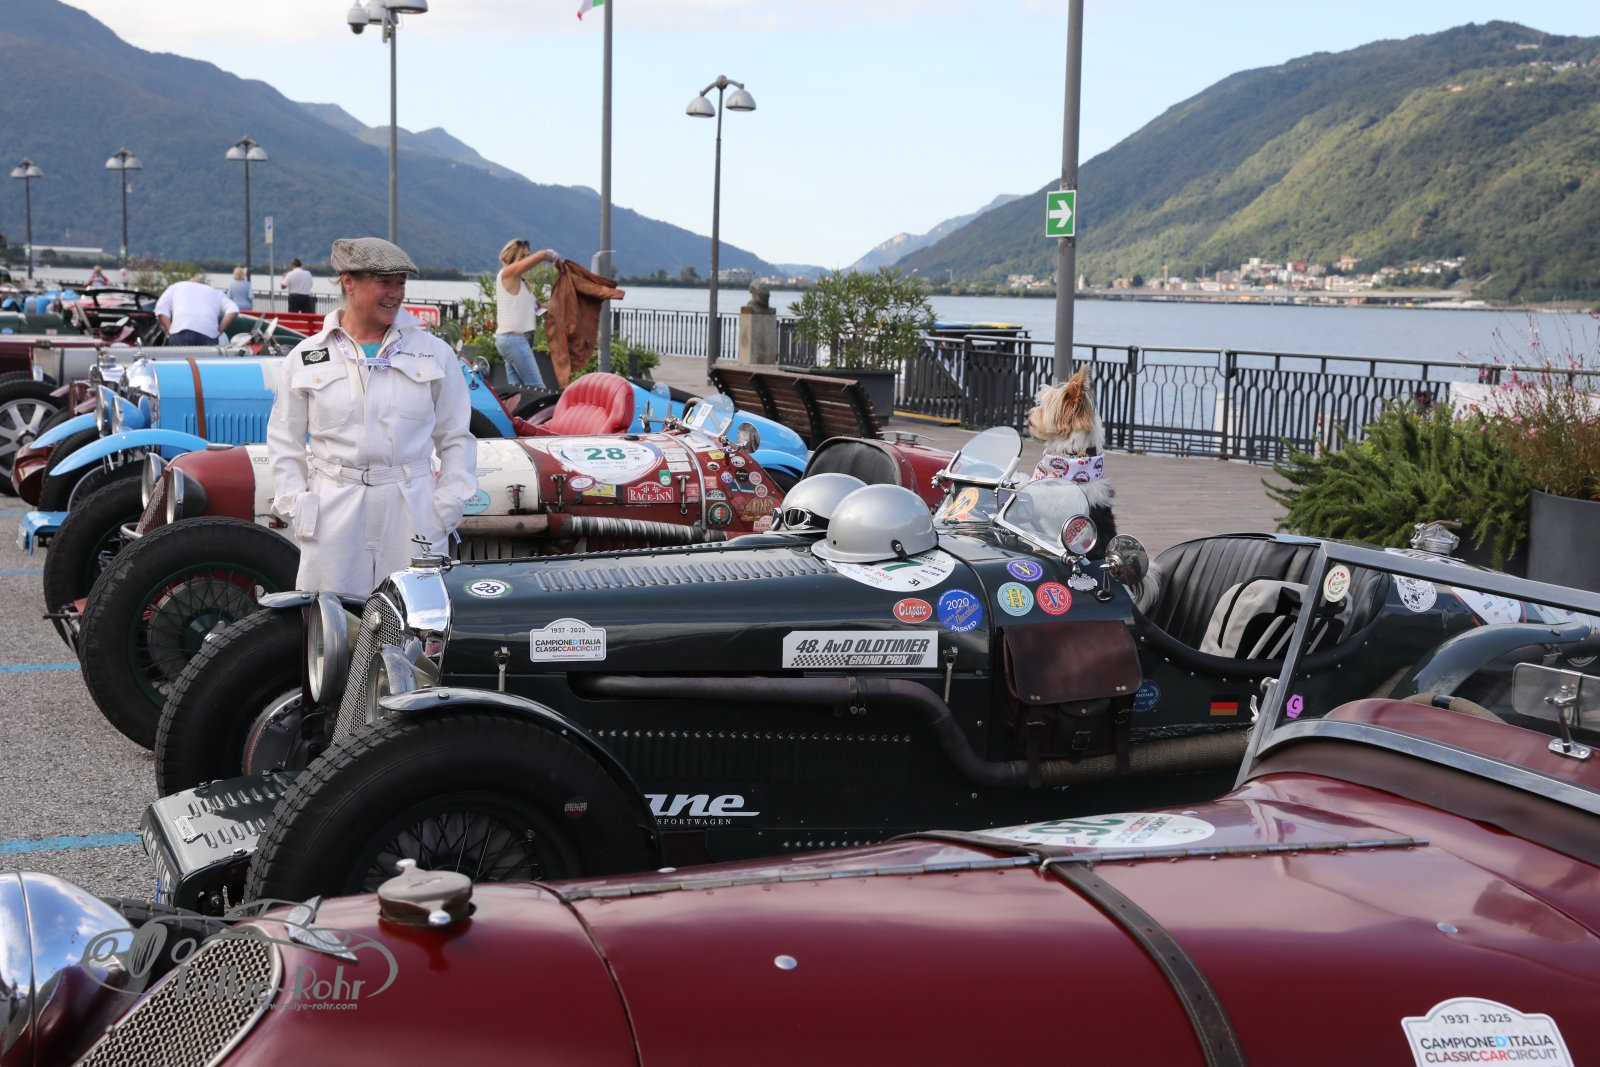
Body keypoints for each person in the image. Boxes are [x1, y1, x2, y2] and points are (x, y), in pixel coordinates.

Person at [265, 236, 477, 597]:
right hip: (333, 511)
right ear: (349, 282)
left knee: (416, 616)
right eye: (384, 282)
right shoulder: (305, 356)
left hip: (413, 509)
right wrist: (297, 504)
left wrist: (447, 505)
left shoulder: (434, 353)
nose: (395, 294)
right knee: (332, 619)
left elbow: (456, 436)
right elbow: (284, 439)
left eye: (400, 283)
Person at [494, 238, 560, 388]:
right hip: (513, 340)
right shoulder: (507, 273)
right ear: (512, 257)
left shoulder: (521, 282)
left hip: (513, 340)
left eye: (528, 255)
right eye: (523, 256)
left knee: (517, 391)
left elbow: (539, 307)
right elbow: (542, 254)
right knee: (537, 388)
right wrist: (548, 255)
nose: (527, 260)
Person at [155, 274, 238, 345]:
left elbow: (160, 308)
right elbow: (233, 310)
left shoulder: (176, 287)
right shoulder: (216, 292)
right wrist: (219, 331)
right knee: (207, 359)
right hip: (208, 333)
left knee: (180, 358)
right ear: (204, 285)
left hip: (180, 330)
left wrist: (170, 330)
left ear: (189, 282)